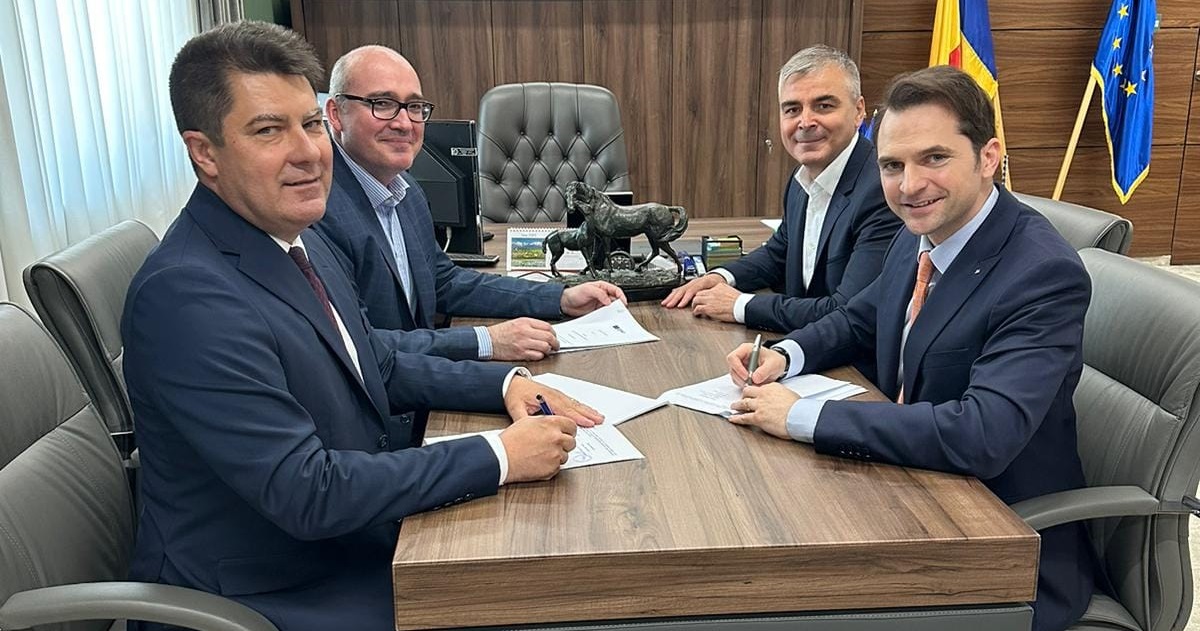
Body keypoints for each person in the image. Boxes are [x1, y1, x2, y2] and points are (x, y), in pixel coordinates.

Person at [121, 22, 598, 631]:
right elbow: (308, 491)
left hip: (348, 540)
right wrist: (498, 455)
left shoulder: (294, 238)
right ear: (204, 153)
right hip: (273, 590)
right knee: (536, 599)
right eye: (268, 130)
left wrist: (505, 385)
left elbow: (376, 361)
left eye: (308, 125)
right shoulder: (187, 295)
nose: (308, 152)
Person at [724, 66, 1095, 631]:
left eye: (934, 158)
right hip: (907, 493)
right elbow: (862, 317)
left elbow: (982, 433)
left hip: (1003, 547)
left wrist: (801, 416)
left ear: (989, 157)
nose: (909, 185)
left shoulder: (1041, 273)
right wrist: (787, 353)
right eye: (892, 165)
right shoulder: (920, 232)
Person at [314, 45, 626, 364]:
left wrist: (561, 297)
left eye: (415, 106)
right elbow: (358, 346)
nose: (405, 123)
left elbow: (444, 282)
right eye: (382, 104)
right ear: (336, 114)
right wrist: (486, 341)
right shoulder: (318, 213)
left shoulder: (406, 191)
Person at [661, 45, 901, 334]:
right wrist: (722, 276)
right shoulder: (801, 179)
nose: (805, 122)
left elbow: (846, 312)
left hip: (850, 355)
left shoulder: (881, 190)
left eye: (824, 106)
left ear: (858, 111)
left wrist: (740, 306)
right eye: (792, 109)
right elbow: (779, 252)